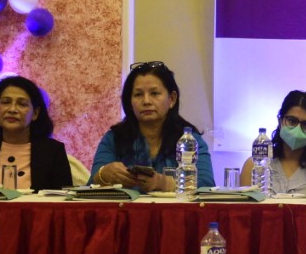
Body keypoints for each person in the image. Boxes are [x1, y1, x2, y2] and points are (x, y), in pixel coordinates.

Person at [90, 61, 214, 191]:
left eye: (154, 93)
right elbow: (90, 185)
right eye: (138, 94)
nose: (146, 101)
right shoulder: (114, 138)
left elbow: (206, 184)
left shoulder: (189, 140)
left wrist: (165, 183)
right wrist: (103, 175)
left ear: (172, 99)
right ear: (130, 102)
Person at [0, 76, 72, 191]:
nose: (12, 109)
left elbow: (64, 198)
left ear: (35, 113)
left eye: (22, 104)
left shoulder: (53, 151)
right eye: (6, 102)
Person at [241, 90, 306, 193]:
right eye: (292, 121)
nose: (297, 129)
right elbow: (243, 203)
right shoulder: (254, 165)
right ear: (280, 121)